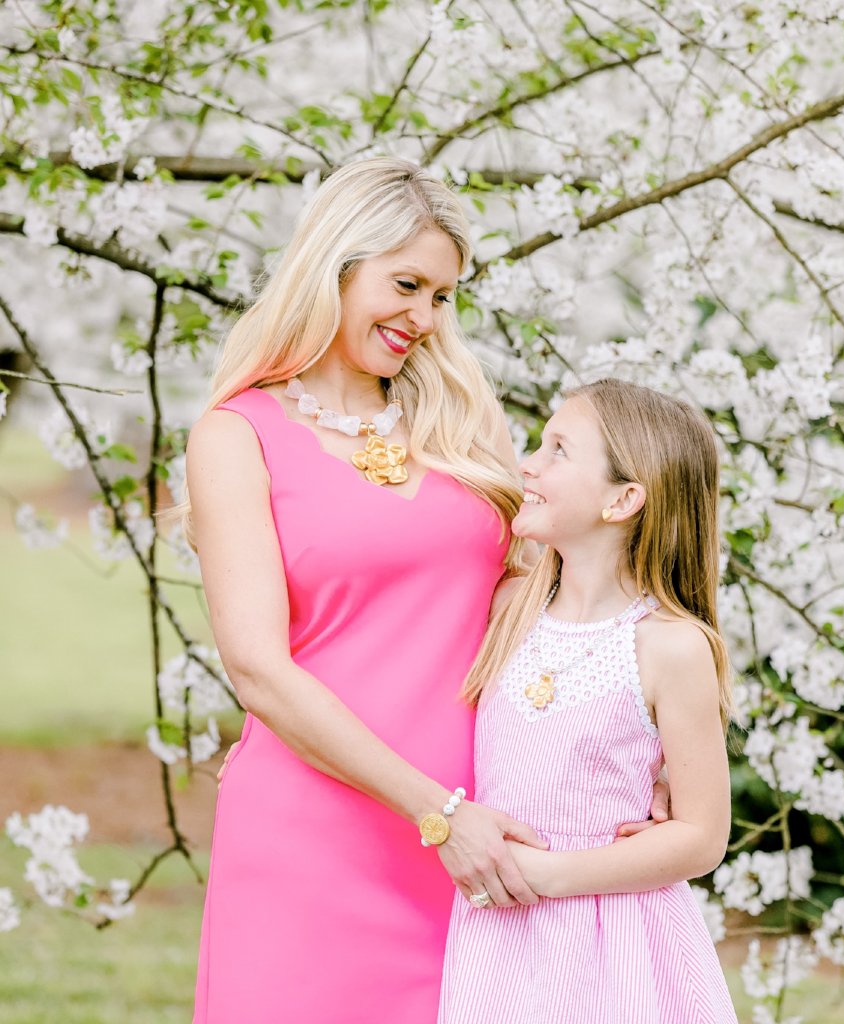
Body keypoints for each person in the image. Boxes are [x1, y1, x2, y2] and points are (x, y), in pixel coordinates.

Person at [181, 158, 668, 1023]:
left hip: (487, 831)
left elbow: (553, 598)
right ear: (334, 266)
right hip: (318, 833)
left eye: (442, 296)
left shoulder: (460, 417)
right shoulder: (236, 436)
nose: (425, 317)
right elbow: (258, 669)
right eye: (405, 285)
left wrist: (647, 747)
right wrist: (438, 814)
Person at [438, 378, 738, 1024]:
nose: (528, 464)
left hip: (617, 943)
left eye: (559, 450)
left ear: (623, 499)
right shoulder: (507, 609)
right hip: (500, 937)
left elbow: (702, 835)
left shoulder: (669, 646)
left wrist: (547, 876)